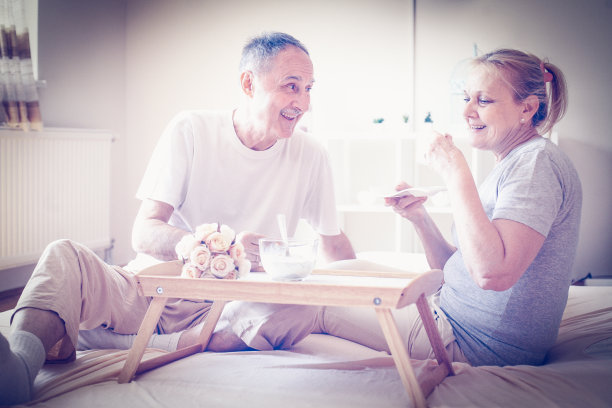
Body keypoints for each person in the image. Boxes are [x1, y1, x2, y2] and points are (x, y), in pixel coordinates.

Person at [0, 31, 355, 405]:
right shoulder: (191, 129)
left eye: (308, 88)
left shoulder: (312, 155)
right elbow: (144, 230)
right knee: (63, 255)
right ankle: (20, 366)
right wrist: (208, 245)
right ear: (249, 83)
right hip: (153, 289)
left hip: (230, 310)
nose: (303, 102)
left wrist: (375, 294)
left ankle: (127, 338)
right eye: (291, 86)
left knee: (302, 303)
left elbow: (334, 245)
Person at [316, 48, 581, 367]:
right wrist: (419, 218)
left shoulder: (536, 163)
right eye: (466, 98)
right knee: (342, 272)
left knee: (320, 298)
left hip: (476, 344)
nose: (467, 111)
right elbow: (458, 270)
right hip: (454, 315)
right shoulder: (516, 162)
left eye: (483, 100)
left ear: (527, 108)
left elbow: (492, 273)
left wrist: (455, 168)